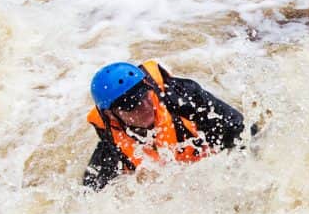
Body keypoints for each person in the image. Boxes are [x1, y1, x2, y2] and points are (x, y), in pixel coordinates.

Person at [83, 60, 252, 191]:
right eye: (131, 105)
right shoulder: (112, 148)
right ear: (110, 115)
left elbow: (244, 131)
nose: (145, 106)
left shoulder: (183, 98)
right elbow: (89, 196)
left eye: (144, 95)